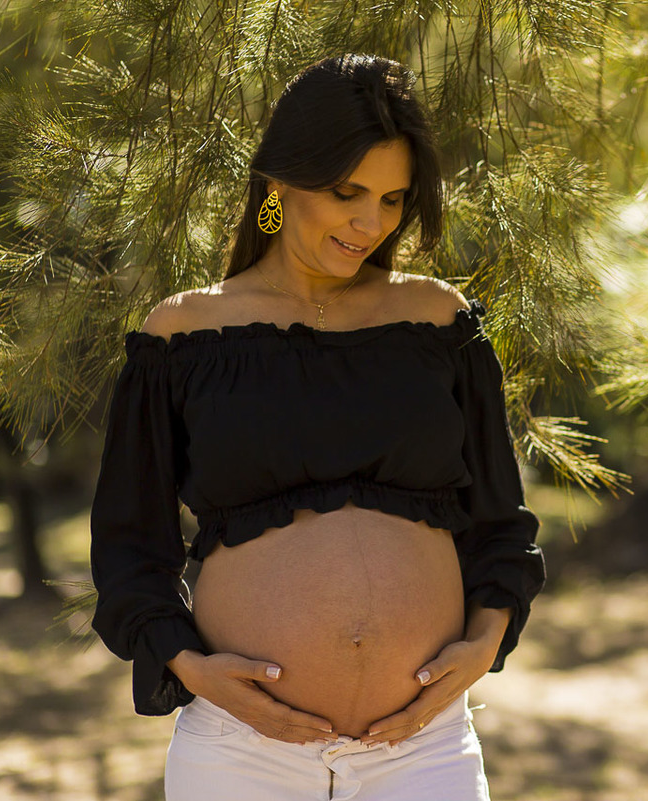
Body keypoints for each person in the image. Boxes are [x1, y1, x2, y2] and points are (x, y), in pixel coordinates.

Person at [88, 53, 546, 801]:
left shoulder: (437, 321)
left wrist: (483, 642)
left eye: (394, 199)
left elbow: (502, 523)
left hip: (421, 746)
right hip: (243, 750)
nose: (371, 223)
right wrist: (192, 668)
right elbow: (131, 546)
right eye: (346, 192)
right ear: (281, 180)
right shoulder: (183, 335)